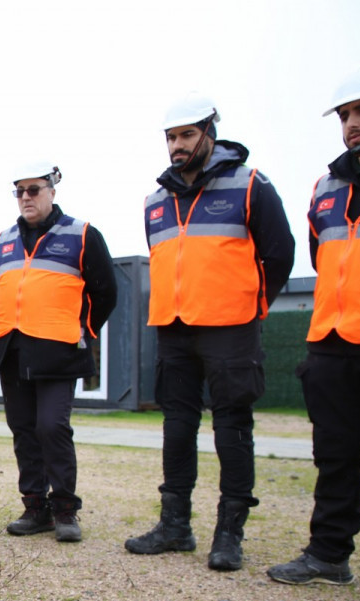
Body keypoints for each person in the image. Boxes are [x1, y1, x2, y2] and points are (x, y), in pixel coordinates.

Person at [125, 93, 294, 571]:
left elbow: (280, 253)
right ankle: (174, 526)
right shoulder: (155, 202)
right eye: (170, 138)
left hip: (230, 329)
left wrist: (251, 305)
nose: (177, 146)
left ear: (209, 133)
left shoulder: (250, 185)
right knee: (177, 427)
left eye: (187, 135)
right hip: (174, 328)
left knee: (232, 427)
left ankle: (229, 534)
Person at [268, 63, 360, 586]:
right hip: (332, 341)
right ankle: (329, 554)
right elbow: (320, 257)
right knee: (335, 457)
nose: (353, 124)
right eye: (346, 115)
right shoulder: (326, 188)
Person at [0, 162, 118, 543]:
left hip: (59, 351)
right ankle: (34, 507)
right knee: (23, 430)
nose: (26, 197)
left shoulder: (82, 235)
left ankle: (64, 508)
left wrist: (82, 329)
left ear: (52, 191)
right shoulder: (1, 242)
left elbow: (105, 291)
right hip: (13, 350)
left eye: (34, 190)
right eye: (20, 191)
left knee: (52, 427)